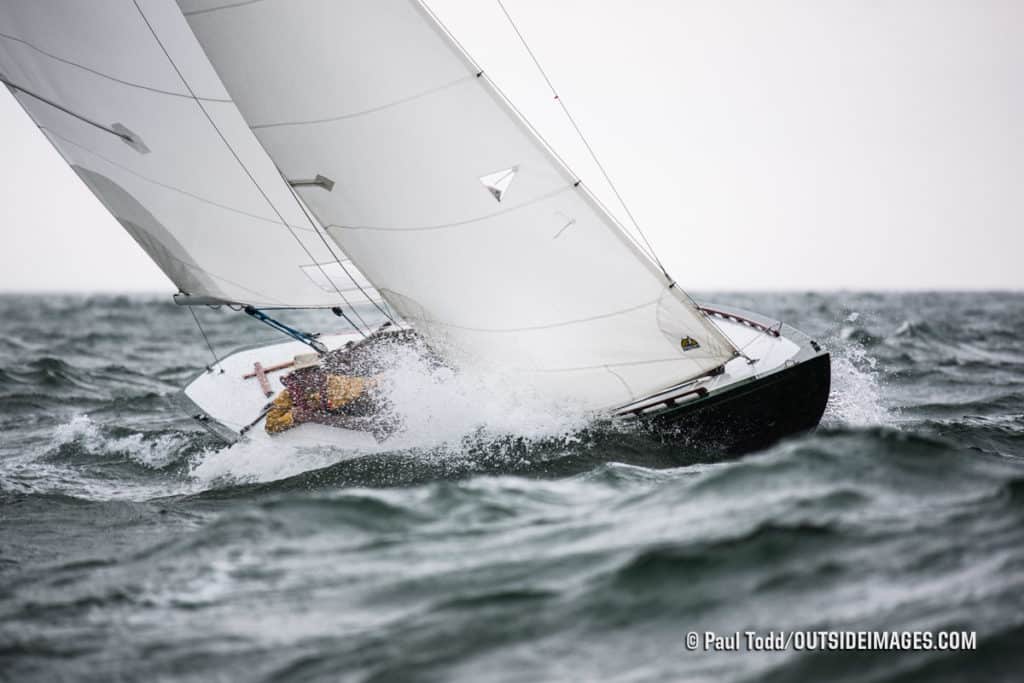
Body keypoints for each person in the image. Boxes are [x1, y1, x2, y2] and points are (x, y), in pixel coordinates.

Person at [264, 325, 435, 437]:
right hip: (333, 408)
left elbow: (373, 386)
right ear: (297, 376)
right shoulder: (291, 392)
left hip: (366, 396)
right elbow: (270, 425)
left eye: (313, 372)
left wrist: (313, 417)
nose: (309, 377)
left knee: (380, 412)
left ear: (319, 372)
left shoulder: (339, 386)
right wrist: (293, 417)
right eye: (303, 374)